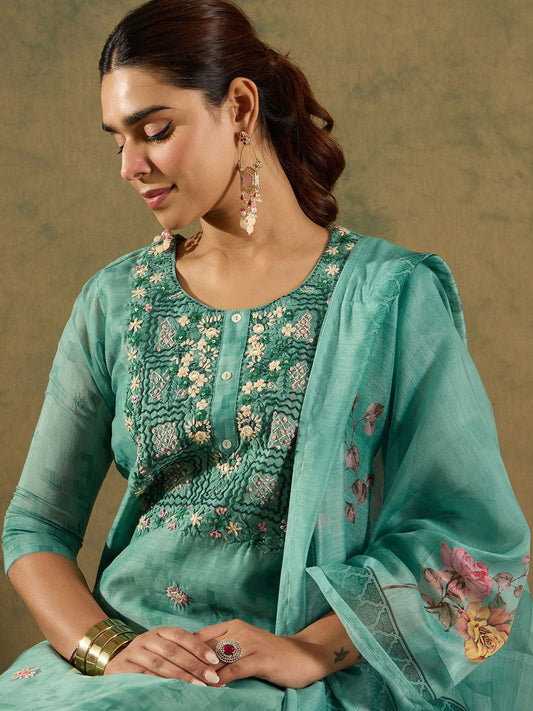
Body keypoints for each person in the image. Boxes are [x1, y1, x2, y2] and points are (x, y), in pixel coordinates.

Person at [1, 0, 532, 708]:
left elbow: (470, 538)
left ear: (240, 108)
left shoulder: (388, 297)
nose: (129, 165)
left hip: (292, 672)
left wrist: (310, 650)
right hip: (122, 669)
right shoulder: (115, 300)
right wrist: (108, 648)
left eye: (154, 131)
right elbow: (35, 526)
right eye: (117, 142)